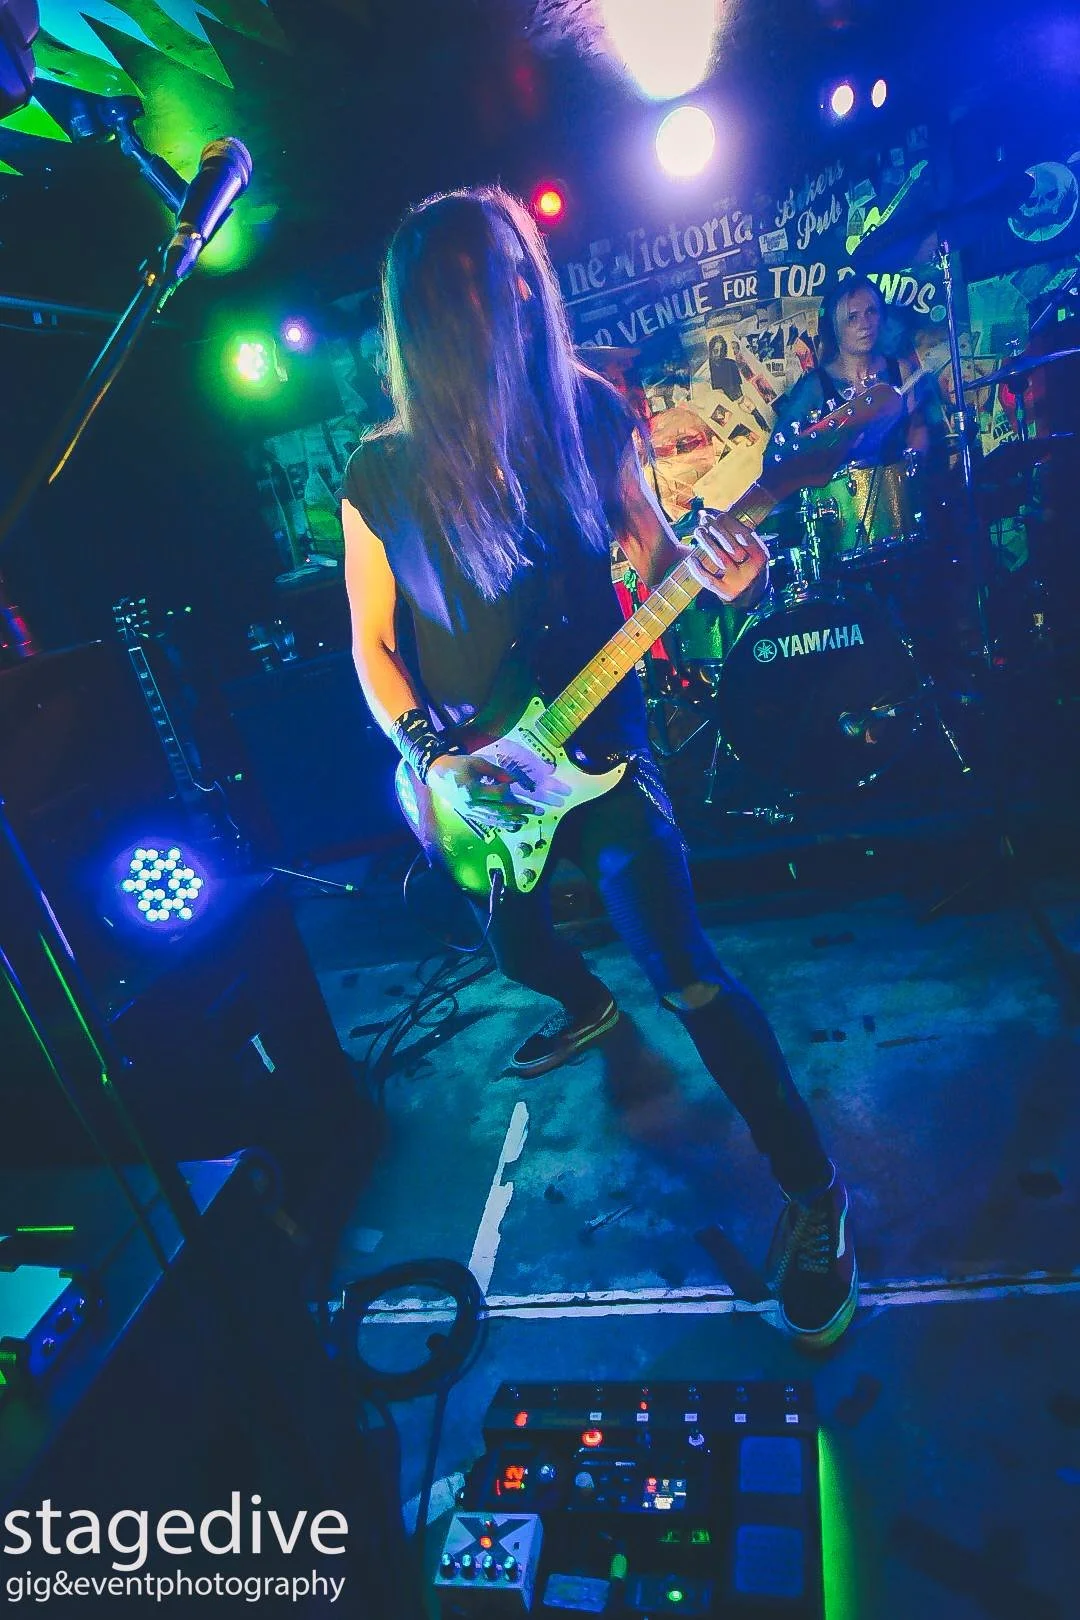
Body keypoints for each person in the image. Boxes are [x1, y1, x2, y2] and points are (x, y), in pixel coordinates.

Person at [340, 185, 857, 1349]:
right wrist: (433, 758)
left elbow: (662, 560)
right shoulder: (381, 472)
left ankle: (816, 1191)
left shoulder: (586, 409)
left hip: (606, 751)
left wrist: (732, 579)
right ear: (429, 316)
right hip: (475, 778)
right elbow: (372, 644)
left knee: (687, 971)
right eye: (484, 287)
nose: (517, 301)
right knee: (514, 948)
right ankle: (584, 1004)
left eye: (522, 276)